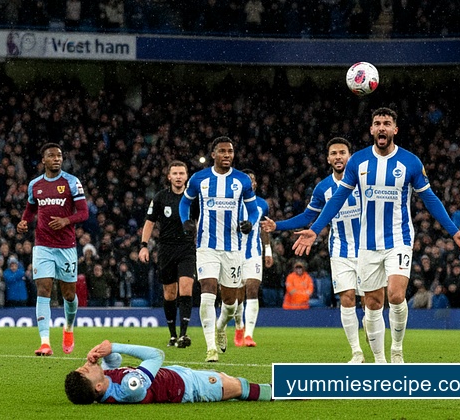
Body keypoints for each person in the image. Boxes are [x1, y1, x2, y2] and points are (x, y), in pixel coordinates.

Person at [293, 107, 460, 363]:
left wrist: (454, 232)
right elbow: (337, 199)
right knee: (372, 303)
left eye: (387, 123)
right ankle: (379, 361)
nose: (382, 127)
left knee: (396, 295)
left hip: (399, 239)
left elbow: (430, 199)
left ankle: (397, 350)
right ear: (371, 129)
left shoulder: (410, 162)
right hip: (367, 245)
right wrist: (315, 230)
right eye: (378, 123)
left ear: (395, 129)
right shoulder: (358, 161)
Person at [261, 137, 366, 363]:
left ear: (350, 155)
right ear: (328, 159)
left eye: (342, 152)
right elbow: (309, 216)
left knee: (370, 302)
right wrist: (277, 225)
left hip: (369, 249)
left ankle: (372, 330)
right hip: (340, 250)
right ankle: (357, 353)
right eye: (334, 153)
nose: (338, 157)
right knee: (347, 298)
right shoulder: (323, 188)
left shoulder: (363, 181)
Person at [179, 136, 260, 363]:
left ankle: (221, 326)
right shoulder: (199, 179)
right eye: (222, 151)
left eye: (230, 151)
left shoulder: (242, 181)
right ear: (213, 154)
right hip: (206, 246)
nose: (227, 155)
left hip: (233, 248)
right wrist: (185, 220)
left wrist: (250, 223)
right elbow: (185, 202)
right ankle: (211, 348)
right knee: (207, 290)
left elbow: (253, 211)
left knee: (231, 303)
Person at [17, 143, 89, 356]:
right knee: (44, 289)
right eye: (52, 156)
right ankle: (45, 342)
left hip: (66, 247)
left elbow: (84, 213)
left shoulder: (71, 182)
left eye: (59, 156)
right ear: (44, 160)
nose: (57, 159)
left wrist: (67, 220)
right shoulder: (35, 185)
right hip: (43, 246)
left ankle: (68, 328)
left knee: (68, 294)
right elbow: (30, 209)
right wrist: (24, 222)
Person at [64, 339, 273, 404]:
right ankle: (284, 391)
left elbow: (114, 362)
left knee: (231, 383)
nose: (86, 365)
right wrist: (115, 345)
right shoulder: (129, 388)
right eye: (85, 371)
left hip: (177, 375)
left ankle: (282, 390)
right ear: (97, 387)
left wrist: (102, 354)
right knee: (238, 387)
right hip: (190, 388)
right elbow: (156, 355)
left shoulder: (106, 385)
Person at [138, 161, 196, 348]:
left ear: (187, 176)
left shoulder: (194, 198)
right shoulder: (161, 197)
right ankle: (172, 334)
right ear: (169, 177)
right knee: (170, 293)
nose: (179, 176)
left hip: (187, 248)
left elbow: (203, 220)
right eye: (175, 173)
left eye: (182, 173)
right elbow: (149, 222)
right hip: (166, 249)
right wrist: (144, 245)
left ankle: (184, 334)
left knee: (186, 287)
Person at [235, 170, 273, 348]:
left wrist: (268, 251)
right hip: (233, 253)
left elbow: (264, 229)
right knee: (236, 295)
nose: (250, 183)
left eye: (252, 180)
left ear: (256, 184)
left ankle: (249, 335)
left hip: (254, 253)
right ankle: (238, 327)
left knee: (252, 289)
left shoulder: (262, 205)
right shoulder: (231, 202)